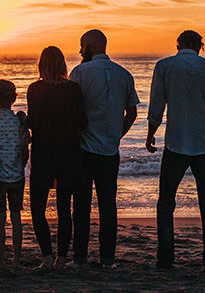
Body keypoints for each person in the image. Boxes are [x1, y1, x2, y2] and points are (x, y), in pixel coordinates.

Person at [146, 30, 205, 269]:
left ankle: (165, 259)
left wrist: (150, 133)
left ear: (178, 45)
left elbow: (157, 103)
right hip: (204, 143)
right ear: (199, 46)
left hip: (175, 143)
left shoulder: (164, 66)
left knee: (166, 203)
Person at [69, 30, 139, 269]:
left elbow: (72, 111)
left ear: (90, 45)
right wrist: (117, 134)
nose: (80, 51)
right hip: (110, 149)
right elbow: (132, 113)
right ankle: (107, 259)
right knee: (108, 205)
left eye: (82, 45)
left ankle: (80, 258)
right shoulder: (124, 74)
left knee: (81, 204)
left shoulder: (79, 73)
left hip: (84, 148)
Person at [26, 46, 87, 270]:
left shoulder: (35, 89)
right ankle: (62, 258)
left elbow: (33, 123)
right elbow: (83, 124)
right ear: (63, 65)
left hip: (43, 154)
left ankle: (47, 257)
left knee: (38, 208)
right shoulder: (73, 89)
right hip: (70, 153)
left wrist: (23, 120)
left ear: (41, 65)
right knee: (64, 209)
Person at [0, 80, 28, 270]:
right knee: (16, 218)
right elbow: (25, 149)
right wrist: (21, 166)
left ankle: (1, 261)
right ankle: (17, 260)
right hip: (17, 176)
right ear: (14, 97)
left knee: (0, 220)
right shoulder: (18, 121)